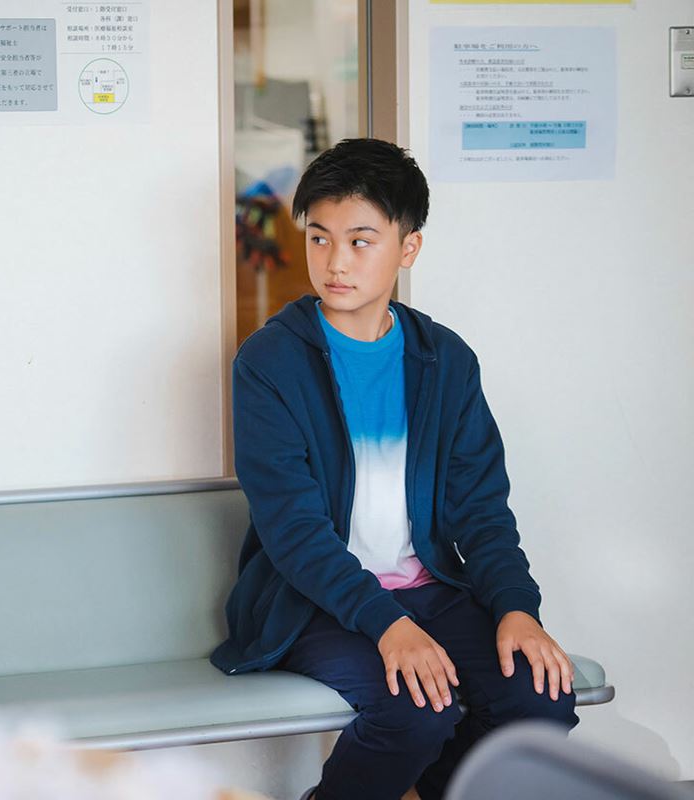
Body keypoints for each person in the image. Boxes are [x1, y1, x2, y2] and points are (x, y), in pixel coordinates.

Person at [210, 138, 577, 800]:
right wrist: (387, 625)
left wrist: (516, 607)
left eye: (360, 242)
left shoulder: (446, 360)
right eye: (319, 239)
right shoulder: (270, 364)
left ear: (408, 248)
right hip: (312, 603)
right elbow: (294, 532)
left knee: (540, 699)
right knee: (415, 712)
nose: (335, 262)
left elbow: (481, 509)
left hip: (429, 589)